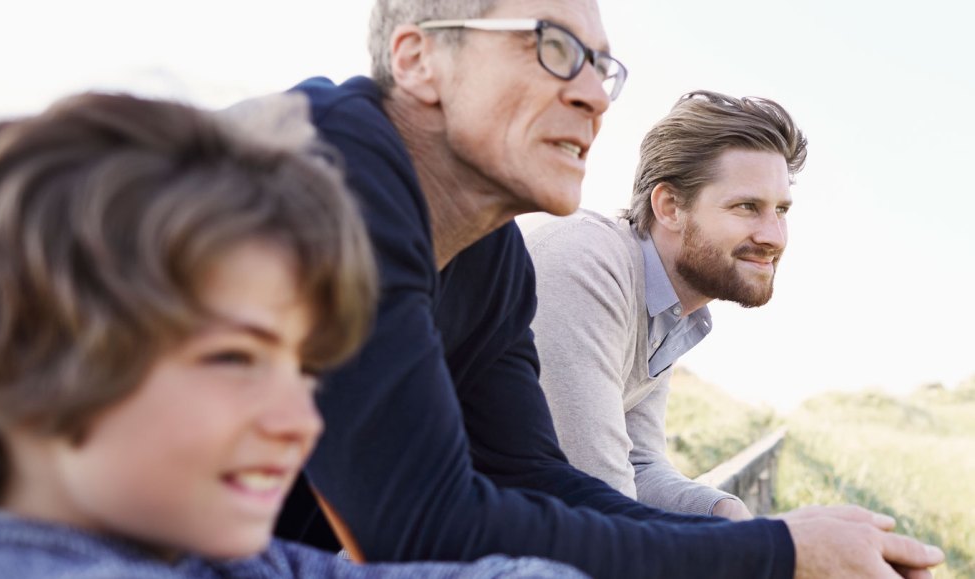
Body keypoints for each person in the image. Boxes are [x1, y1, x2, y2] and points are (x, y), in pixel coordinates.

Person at [270, 0, 945, 577]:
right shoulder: (334, 173)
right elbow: (422, 524)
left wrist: (759, 537)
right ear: (418, 59)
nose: (594, 96)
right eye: (554, 47)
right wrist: (777, 551)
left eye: (601, 67)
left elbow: (534, 474)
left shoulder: (493, 256)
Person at [0, 92, 586, 579]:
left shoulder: (187, 545)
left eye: (305, 371)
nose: (301, 424)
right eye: (234, 358)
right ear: (28, 355)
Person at [522, 91, 805, 521]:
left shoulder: (667, 307)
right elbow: (599, 498)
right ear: (670, 207)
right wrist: (768, 551)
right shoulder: (586, 267)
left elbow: (639, 465)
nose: (774, 236)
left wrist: (724, 512)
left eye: (780, 210)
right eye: (747, 207)